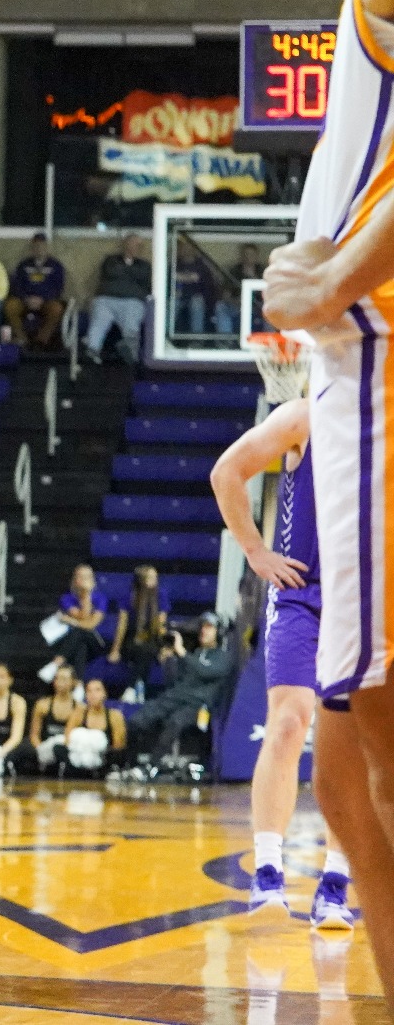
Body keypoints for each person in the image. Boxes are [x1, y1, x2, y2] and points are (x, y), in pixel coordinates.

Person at [212, 396, 353, 924]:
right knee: (290, 723)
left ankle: (335, 883)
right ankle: (268, 874)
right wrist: (255, 551)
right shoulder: (304, 416)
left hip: (361, 601)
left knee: (356, 743)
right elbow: (227, 472)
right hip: (300, 594)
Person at [123, 614, 233, 767]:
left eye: (209, 627)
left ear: (219, 632)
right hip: (174, 698)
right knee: (136, 721)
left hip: (197, 705)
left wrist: (181, 652)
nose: (203, 630)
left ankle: (151, 767)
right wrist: (169, 661)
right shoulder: (194, 653)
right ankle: (129, 764)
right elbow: (175, 681)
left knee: (175, 722)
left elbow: (204, 671)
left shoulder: (223, 658)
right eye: (202, 627)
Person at [83, 234, 151, 365]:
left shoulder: (145, 265)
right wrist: (130, 273)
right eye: (131, 244)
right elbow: (111, 272)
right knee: (99, 319)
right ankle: (93, 349)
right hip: (107, 299)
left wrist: (124, 271)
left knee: (131, 323)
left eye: (137, 245)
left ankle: (130, 353)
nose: (133, 248)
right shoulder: (110, 260)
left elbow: (142, 277)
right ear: (125, 244)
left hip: (132, 301)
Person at [43, 563, 108, 685]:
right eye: (80, 577)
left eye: (87, 577)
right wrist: (85, 596)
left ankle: (56, 663)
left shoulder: (100, 598)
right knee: (81, 646)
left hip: (96, 642)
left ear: (93, 579)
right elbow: (83, 617)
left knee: (80, 632)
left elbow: (90, 626)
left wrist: (72, 620)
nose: (84, 580)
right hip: (73, 642)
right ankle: (78, 685)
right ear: (75, 580)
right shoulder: (66, 598)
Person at [109, 564, 167, 698]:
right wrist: (115, 650)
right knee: (143, 649)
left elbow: (160, 625)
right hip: (132, 639)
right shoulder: (129, 596)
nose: (155, 580)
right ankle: (139, 687)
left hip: (152, 638)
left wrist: (164, 647)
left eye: (156, 577)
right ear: (141, 580)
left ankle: (131, 689)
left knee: (148, 649)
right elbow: (122, 625)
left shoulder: (161, 595)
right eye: (151, 577)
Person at [5, 233, 67, 350]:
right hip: (25, 300)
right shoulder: (23, 265)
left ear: (47, 247)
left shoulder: (56, 266)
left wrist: (42, 299)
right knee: (10, 306)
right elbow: (16, 285)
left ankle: (41, 340)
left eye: (41, 246)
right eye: (36, 247)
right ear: (32, 249)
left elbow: (58, 287)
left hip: (46, 301)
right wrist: (26, 298)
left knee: (56, 309)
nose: (39, 249)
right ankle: (22, 338)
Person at [170, 238, 224, 337]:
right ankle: (166, 337)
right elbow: (170, 278)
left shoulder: (201, 265)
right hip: (179, 296)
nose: (185, 250)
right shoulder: (174, 264)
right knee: (171, 302)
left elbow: (203, 282)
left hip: (198, 297)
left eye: (188, 247)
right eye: (183, 248)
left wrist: (180, 277)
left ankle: (197, 338)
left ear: (194, 250)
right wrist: (185, 278)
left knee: (197, 302)